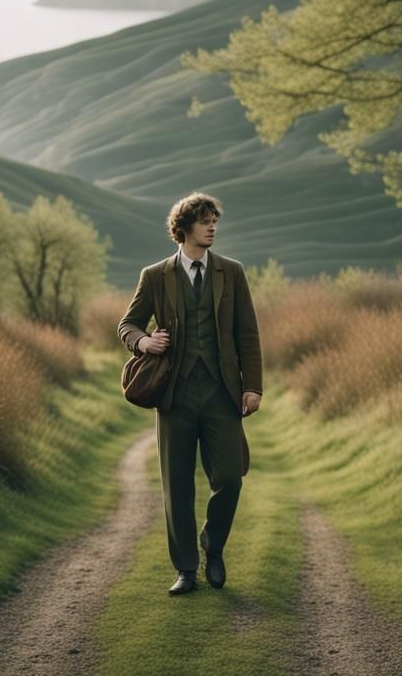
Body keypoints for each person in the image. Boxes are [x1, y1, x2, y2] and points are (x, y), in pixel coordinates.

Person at [118, 192, 262, 595]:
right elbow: (127, 325)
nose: (212, 227)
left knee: (231, 477)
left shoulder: (231, 272)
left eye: (215, 220)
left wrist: (252, 386)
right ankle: (186, 569)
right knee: (177, 486)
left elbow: (247, 334)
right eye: (204, 221)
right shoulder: (155, 275)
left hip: (221, 393)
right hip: (175, 396)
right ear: (183, 229)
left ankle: (212, 546)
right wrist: (144, 343)